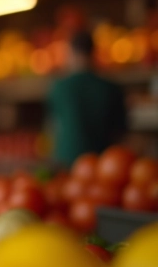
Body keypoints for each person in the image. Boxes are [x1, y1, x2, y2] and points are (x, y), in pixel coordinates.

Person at [48, 30, 128, 167]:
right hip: (103, 163)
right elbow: (121, 132)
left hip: (67, 162)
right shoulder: (111, 88)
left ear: (72, 53)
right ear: (93, 52)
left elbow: (53, 127)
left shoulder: (59, 87)